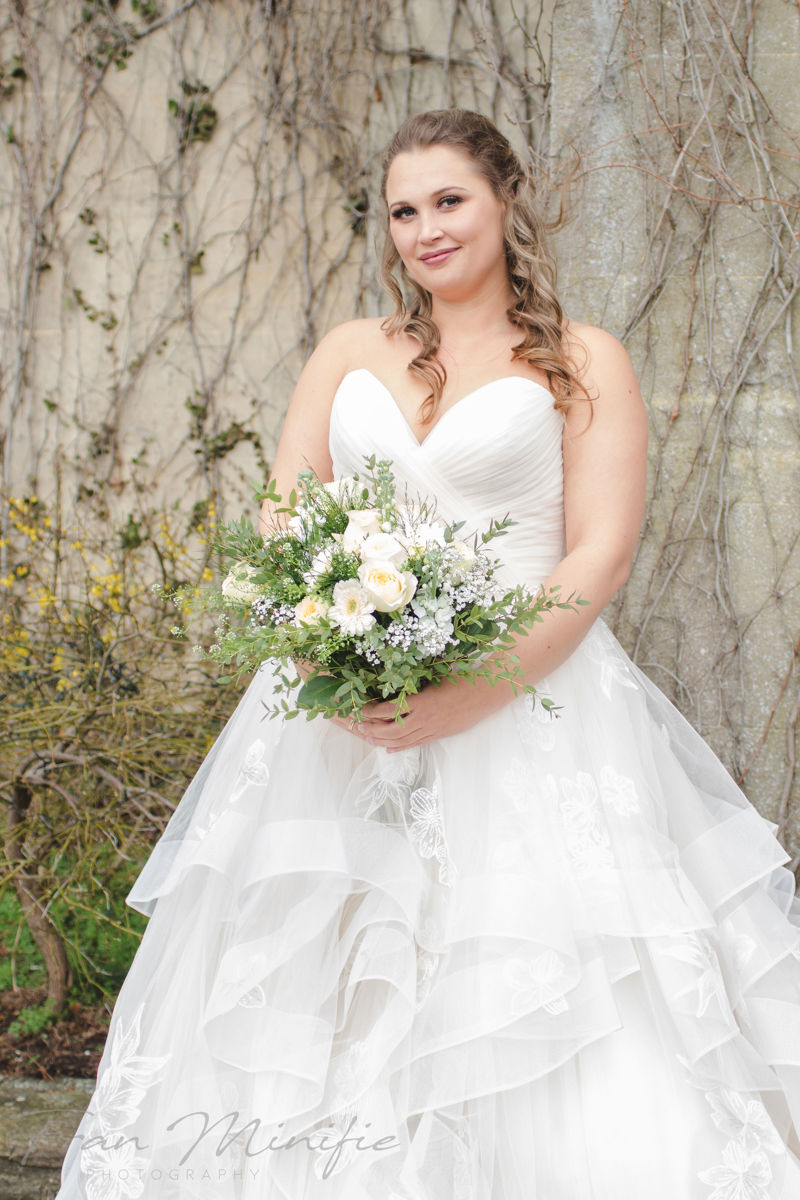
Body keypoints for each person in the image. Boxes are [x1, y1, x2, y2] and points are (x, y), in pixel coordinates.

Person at [56, 108, 800, 1199]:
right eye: (403, 210)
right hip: (338, 711)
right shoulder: (349, 351)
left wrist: (467, 692)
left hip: (528, 705)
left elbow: (596, 552)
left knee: (530, 971)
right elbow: (282, 515)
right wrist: (324, 635)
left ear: (504, 199)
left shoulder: (582, 360)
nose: (424, 230)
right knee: (323, 964)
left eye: (448, 201)